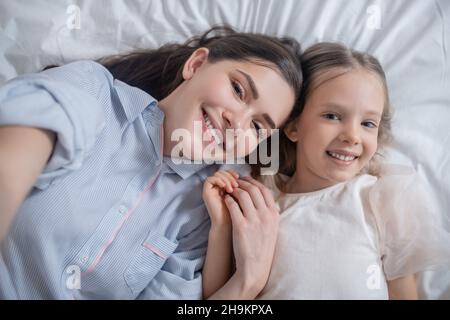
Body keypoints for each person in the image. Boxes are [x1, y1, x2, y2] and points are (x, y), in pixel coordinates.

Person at [0, 26, 303, 299]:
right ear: (196, 65)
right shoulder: (93, 93)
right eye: (238, 90)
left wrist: (247, 283)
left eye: (257, 127)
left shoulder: (200, 213)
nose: (236, 123)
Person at [202, 42, 450, 299]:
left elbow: (404, 293)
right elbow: (218, 296)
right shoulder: (259, 203)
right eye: (332, 116)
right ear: (294, 126)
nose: (352, 136)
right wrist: (221, 226)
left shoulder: (379, 198)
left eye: (367, 123)